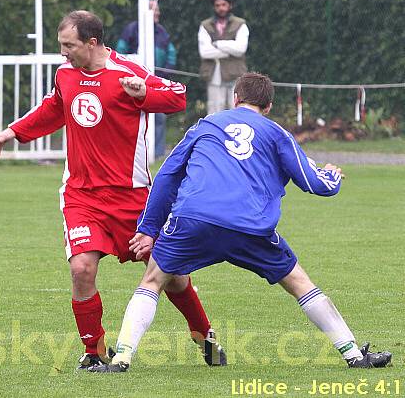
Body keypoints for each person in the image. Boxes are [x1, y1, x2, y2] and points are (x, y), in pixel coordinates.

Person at [91, 72, 392, 372]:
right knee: (300, 283)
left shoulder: (205, 125)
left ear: (235, 98)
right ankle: (354, 355)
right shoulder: (277, 133)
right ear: (269, 106)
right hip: (249, 226)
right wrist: (333, 176)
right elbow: (315, 183)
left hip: (194, 219)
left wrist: (147, 228)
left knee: (153, 281)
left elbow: (167, 177)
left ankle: (121, 359)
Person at [0, 10, 226, 370]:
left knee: (173, 277)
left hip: (134, 199)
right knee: (81, 269)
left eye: (69, 46)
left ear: (92, 42)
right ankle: (93, 353)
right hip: (83, 196)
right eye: (61, 46)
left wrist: (145, 92)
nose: (63, 53)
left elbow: (177, 97)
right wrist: (14, 132)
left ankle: (203, 335)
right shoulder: (65, 75)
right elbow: (55, 107)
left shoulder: (127, 73)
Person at [116, 0, 178, 158]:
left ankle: (157, 153)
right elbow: (120, 52)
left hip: (157, 80)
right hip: (134, 82)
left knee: (159, 118)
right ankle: (131, 152)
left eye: (157, 10)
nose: (157, 13)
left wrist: (167, 72)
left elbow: (171, 53)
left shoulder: (162, 32)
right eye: (153, 10)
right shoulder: (131, 29)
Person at [198, 0, 249, 114]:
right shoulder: (205, 25)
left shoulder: (240, 24)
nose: (221, 8)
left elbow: (241, 49)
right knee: (215, 112)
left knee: (236, 110)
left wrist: (217, 44)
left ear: (230, 5)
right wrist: (230, 50)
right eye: (217, 5)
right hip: (214, 75)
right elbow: (205, 52)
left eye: (223, 5)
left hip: (235, 74)